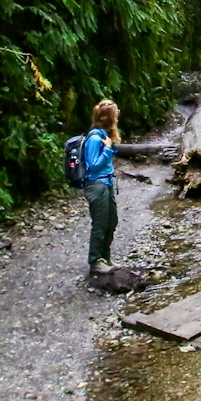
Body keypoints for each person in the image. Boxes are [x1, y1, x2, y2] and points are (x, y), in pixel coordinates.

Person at [82, 99, 120, 274]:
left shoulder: (104, 135)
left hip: (107, 183)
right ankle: (94, 261)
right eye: (115, 114)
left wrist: (111, 145)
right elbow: (93, 165)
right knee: (100, 223)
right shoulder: (94, 138)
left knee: (112, 221)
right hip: (96, 185)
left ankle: (105, 256)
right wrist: (106, 149)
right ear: (109, 118)